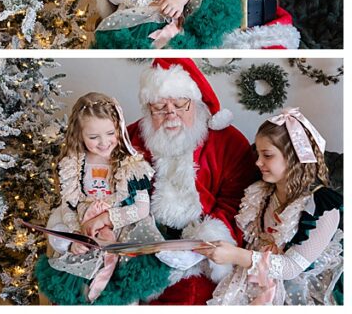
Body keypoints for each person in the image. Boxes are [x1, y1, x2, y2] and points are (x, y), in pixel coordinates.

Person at [125, 58, 261, 304]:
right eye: (159, 108)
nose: (171, 115)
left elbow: (238, 203)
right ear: (148, 110)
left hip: (203, 251)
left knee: (188, 296)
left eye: (179, 104)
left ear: (196, 104)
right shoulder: (131, 138)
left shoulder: (228, 142)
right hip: (147, 243)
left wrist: (202, 244)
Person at [35, 92, 171, 304]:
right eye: (93, 137)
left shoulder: (130, 163)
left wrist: (106, 219)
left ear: (118, 128)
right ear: (79, 134)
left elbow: (142, 208)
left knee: (121, 291)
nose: (103, 142)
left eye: (110, 133)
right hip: (85, 229)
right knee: (81, 289)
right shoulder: (73, 164)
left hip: (123, 231)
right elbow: (68, 206)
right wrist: (78, 236)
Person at [199, 110, 342, 305]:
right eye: (258, 154)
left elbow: (291, 268)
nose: (258, 162)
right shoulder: (261, 194)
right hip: (251, 278)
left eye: (267, 155)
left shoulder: (322, 207)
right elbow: (252, 242)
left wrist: (234, 255)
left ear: (294, 157)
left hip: (294, 288)